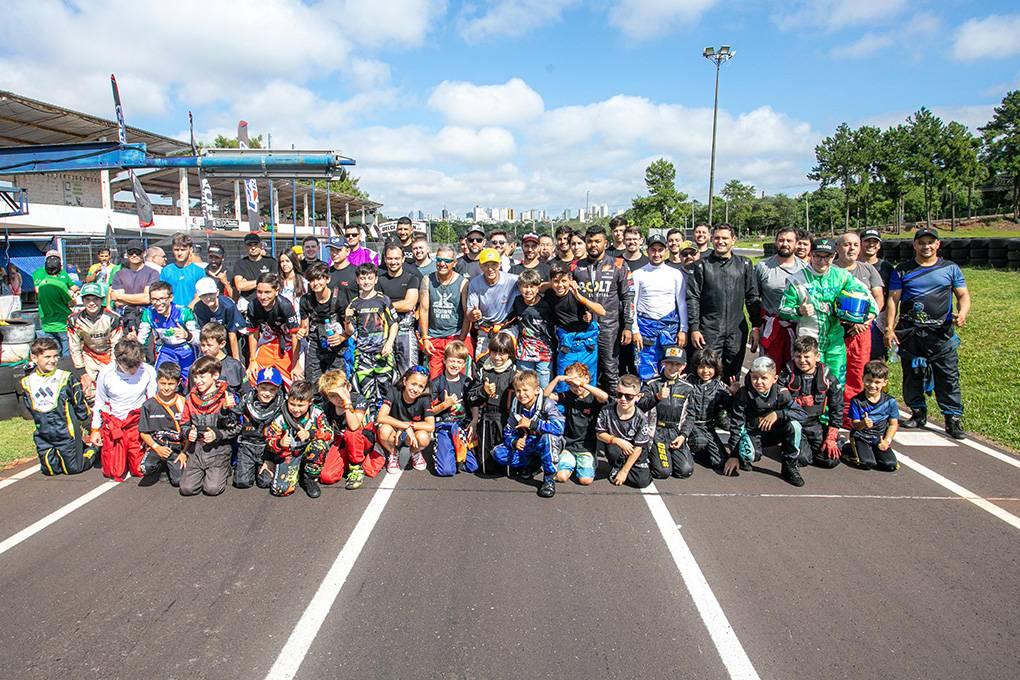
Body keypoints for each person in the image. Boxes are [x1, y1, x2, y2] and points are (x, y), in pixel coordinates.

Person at [885, 227, 969, 438]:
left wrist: (962, 313)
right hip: (910, 333)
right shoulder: (902, 270)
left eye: (930, 242)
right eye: (921, 242)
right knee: (912, 375)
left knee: (948, 377)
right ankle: (917, 413)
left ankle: (952, 419)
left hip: (941, 334)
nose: (926, 246)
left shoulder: (950, 268)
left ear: (938, 244)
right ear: (914, 245)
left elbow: (963, 295)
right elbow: (893, 300)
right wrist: (889, 328)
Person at [778, 238, 877, 384]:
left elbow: (870, 299)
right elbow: (782, 310)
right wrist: (799, 311)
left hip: (836, 342)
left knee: (837, 384)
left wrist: (866, 317)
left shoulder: (842, 276)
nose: (822, 261)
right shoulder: (796, 280)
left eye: (827, 257)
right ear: (811, 255)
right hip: (809, 342)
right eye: (818, 256)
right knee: (812, 384)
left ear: (834, 256)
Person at [686, 224, 761, 382]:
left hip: (736, 331)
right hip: (709, 330)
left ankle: (730, 398)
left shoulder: (744, 264)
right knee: (707, 373)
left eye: (725, 238)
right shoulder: (701, 265)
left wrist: (756, 326)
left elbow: (752, 296)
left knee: (733, 376)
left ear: (733, 240)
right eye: (717, 238)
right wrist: (694, 328)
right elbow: (693, 298)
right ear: (712, 239)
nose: (721, 241)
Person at [723, 357, 807, 487]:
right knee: (749, 455)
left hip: (774, 433)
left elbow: (802, 414)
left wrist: (778, 414)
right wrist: (733, 455)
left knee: (794, 426)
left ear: (775, 379)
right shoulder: (744, 394)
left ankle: (789, 465)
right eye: (755, 377)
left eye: (764, 378)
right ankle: (745, 457)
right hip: (753, 433)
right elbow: (736, 424)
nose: (759, 382)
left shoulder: (782, 394)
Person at [20, 337, 95, 475]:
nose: (53, 360)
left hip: (66, 433)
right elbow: (29, 407)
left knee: (72, 469)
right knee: (49, 470)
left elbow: (80, 405)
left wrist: (91, 427)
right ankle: (77, 449)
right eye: (47, 357)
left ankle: (93, 449)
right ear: (34, 358)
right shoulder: (27, 382)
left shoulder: (66, 378)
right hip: (43, 433)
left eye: (55, 356)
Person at [573, 227, 634, 393]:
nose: (593, 245)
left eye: (597, 241)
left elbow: (628, 297)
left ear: (605, 243)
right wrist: (582, 312)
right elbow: (569, 297)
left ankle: (612, 405)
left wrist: (628, 326)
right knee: (584, 371)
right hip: (584, 329)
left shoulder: (619, 265)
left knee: (610, 371)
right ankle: (588, 406)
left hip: (609, 328)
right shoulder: (575, 267)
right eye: (590, 241)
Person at [835, 231, 885, 424]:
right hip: (834, 330)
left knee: (857, 373)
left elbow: (878, 299)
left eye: (855, 245)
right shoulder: (829, 269)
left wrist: (865, 321)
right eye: (847, 244)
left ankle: (852, 415)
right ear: (838, 248)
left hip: (861, 331)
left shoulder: (868, 270)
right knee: (832, 372)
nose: (852, 248)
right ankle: (831, 413)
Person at [90, 339, 157, 481]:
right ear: (118, 361)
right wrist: (95, 429)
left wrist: (151, 430)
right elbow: (100, 402)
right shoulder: (106, 373)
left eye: (136, 366)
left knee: (140, 470)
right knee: (113, 471)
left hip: (136, 423)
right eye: (129, 367)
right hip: (115, 424)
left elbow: (152, 402)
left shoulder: (148, 371)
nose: (133, 371)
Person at [492, 370, 564, 498]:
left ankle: (549, 478)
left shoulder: (547, 404)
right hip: (528, 442)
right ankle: (533, 464)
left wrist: (532, 424)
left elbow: (559, 427)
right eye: (518, 391)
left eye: (525, 390)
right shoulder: (516, 406)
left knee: (548, 437)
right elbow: (508, 430)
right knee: (498, 453)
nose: (521, 394)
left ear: (536, 390)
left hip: (546, 442)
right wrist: (514, 441)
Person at [177, 356, 241, 497]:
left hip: (218, 449)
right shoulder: (190, 398)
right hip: (196, 450)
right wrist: (188, 432)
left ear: (215, 375)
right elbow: (184, 424)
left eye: (202, 377)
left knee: (212, 489)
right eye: (195, 377)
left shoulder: (226, 398)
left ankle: (224, 468)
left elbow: (236, 427)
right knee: (187, 489)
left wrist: (216, 434)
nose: (198, 381)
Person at [779, 336, 842, 470]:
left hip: (814, 424)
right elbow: (775, 401)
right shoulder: (787, 375)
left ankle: (840, 442)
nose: (802, 360)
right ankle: (790, 444)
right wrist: (796, 401)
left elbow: (837, 408)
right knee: (802, 459)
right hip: (793, 424)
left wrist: (831, 436)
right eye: (798, 356)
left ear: (817, 357)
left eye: (807, 356)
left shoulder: (828, 378)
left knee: (830, 460)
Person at [631, 234, 688, 380]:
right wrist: (634, 330)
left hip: (669, 327)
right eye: (653, 250)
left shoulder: (675, 274)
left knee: (670, 366)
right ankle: (647, 392)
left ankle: (669, 393)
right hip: (645, 327)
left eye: (660, 250)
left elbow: (681, 303)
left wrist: (683, 330)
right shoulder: (638, 274)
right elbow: (632, 304)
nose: (656, 254)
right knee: (645, 368)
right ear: (647, 251)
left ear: (666, 251)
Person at [264, 380, 333, 498]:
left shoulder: (317, 413)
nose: (296, 409)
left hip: (309, 451)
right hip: (289, 454)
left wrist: (310, 434)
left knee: (319, 445)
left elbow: (329, 433)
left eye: (300, 405)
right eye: (292, 404)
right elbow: (269, 441)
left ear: (310, 402)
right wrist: (279, 443)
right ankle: (295, 471)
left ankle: (309, 477)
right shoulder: (280, 417)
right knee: (280, 490)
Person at [345, 263, 398, 416]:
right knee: (366, 391)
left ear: (376, 279)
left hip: (382, 352)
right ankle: (370, 421)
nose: (366, 281)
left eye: (369, 278)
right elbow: (350, 331)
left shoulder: (384, 300)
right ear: (357, 280)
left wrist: (389, 344)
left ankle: (384, 420)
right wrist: (347, 319)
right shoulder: (354, 303)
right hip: (362, 354)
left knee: (385, 389)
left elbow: (394, 324)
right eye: (362, 278)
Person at [318, 369, 383, 489]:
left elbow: (354, 425)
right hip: (342, 442)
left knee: (351, 433)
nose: (338, 398)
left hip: (363, 439)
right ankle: (348, 461)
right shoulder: (328, 407)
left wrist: (347, 402)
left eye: (340, 393)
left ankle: (356, 466)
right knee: (327, 476)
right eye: (333, 396)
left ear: (349, 387)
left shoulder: (358, 399)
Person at [546, 362, 608, 486]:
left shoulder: (593, 398)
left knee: (585, 480)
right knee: (561, 477)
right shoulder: (568, 396)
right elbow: (546, 395)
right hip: (569, 445)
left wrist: (582, 384)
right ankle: (569, 463)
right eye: (571, 385)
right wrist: (557, 379)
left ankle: (581, 464)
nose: (576, 388)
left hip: (586, 447)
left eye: (577, 384)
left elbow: (604, 396)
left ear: (587, 378)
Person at [637, 345, 694, 479]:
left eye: (677, 364)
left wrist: (683, 435)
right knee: (663, 472)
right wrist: (656, 397)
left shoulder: (687, 388)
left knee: (685, 470)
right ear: (663, 363)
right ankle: (649, 454)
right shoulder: (651, 384)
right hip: (657, 431)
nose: (673, 367)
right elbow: (640, 407)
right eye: (669, 363)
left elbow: (691, 415)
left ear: (683, 366)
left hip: (676, 432)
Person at [755, 227, 807, 368]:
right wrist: (755, 327)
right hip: (772, 328)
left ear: (796, 244)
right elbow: (753, 298)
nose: (785, 244)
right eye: (781, 240)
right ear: (776, 242)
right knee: (769, 369)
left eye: (789, 241)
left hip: (798, 328)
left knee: (796, 368)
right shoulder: (763, 267)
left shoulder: (805, 269)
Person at [546, 263, 603, 389]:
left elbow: (602, 311)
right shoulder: (549, 294)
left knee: (587, 381)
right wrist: (551, 284)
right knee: (564, 381)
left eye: (564, 281)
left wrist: (581, 298)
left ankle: (588, 402)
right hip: (567, 344)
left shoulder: (577, 292)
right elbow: (538, 287)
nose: (560, 285)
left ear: (570, 280)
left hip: (586, 344)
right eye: (556, 281)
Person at [467, 331, 517, 475]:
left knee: (507, 470)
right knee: (486, 468)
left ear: (509, 354)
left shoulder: (514, 373)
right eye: (494, 352)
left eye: (502, 353)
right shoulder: (483, 370)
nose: (497, 357)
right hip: (486, 419)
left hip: (506, 420)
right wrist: (483, 391)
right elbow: (471, 397)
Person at [420, 245, 472, 380]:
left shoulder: (463, 283)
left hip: (455, 335)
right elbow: (424, 310)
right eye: (439, 260)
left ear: (454, 263)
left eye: (447, 261)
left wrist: (461, 339)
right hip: (434, 336)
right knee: (433, 379)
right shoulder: (427, 279)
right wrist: (425, 338)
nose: (442, 264)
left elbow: (467, 315)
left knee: (460, 379)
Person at [430, 341, 479, 477]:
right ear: (444, 360)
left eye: (459, 362)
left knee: (473, 466)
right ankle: (444, 448)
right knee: (446, 471)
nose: (455, 365)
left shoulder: (467, 382)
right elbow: (429, 411)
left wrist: (474, 421)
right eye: (452, 361)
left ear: (463, 365)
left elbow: (474, 403)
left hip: (462, 426)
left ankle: (455, 451)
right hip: (444, 425)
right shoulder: (437, 382)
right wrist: (445, 404)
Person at [596, 374, 653, 489]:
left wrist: (625, 471)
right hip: (616, 447)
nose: (623, 399)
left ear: (638, 397)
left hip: (634, 449)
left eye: (629, 396)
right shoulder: (606, 411)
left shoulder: (641, 418)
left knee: (642, 482)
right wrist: (617, 441)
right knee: (613, 450)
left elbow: (638, 447)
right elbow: (599, 434)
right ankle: (617, 466)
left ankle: (623, 469)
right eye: (619, 394)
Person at [67, 282, 123, 399]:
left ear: (102, 300)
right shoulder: (74, 320)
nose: (91, 303)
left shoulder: (113, 318)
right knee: (89, 393)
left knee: (113, 390)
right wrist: (81, 371)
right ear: (82, 301)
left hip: (109, 356)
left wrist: (114, 366)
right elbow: (74, 346)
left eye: (95, 299)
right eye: (87, 299)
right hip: (89, 356)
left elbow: (117, 345)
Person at [244, 273, 300, 386]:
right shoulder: (252, 306)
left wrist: (296, 364)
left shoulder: (285, 305)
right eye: (259, 292)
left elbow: (295, 335)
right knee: (252, 375)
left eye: (267, 292)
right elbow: (253, 333)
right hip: (268, 339)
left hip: (289, 341)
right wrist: (252, 360)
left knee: (296, 379)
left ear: (276, 291)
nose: (263, 297)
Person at [137, 281, 201, 381]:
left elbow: (199, 340)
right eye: (154, 299)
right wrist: (134, 341)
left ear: (171, 298)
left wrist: (187, 335)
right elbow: (141, 339)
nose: (158, 303)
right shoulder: (149, 313)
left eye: (162, 299)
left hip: (186, 350)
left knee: (192, 381)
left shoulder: (184, 313)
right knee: (160, 380)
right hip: (166, 350)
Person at [298, 263, 348, 389]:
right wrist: (301, 332)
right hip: (315, 344)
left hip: (336, 345)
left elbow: (350, 327)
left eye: (319, 279)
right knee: (313, 383)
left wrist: (342, 337)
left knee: (336, 384)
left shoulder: (340, 298)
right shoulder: (305, 300)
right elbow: (304, 327)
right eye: (312, 280)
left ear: (327, 279)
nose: (315, 283)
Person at [377, 367, 435, 473]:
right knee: (383, 431)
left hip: (413, 433)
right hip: (394, 431)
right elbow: (381, 417)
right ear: (404, 381)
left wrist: (408, 425)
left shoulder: (425, 398)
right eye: (413, 384)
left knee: (423, 437)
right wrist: (405, 426)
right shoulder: (394, 391)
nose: (416, 389)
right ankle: (393, 453)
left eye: (421, 386)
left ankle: (415, 452)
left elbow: (431, 425)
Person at [844, 360, 900, 471]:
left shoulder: (890, 402)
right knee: (867, 463)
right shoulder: (857, 401)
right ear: (863, 378)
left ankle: (873, 451)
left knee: (890, 465)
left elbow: (893, 424)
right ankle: (848, 449)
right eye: (869, 381)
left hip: (879, 438)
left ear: (885, 382)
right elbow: (855, 425)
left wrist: (887, 441)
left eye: (877, 382)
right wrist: (863, 424)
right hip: (861, 436)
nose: (872, 385)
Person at [235, 367, 285, 490]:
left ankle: (265, 466)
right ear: (256, 386)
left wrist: (271, 458)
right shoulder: (246, 399)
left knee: (265, 482)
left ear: (278, 389)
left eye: (272, 390)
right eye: (263, 388)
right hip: (247, 445)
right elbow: (233, 417)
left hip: (267, 447)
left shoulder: (282, 404)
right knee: (242, 482)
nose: (267, 393)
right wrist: (226, 411)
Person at [137, 362, 187, 486]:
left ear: (178, 383)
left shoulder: (184, 402)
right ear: (157, 382)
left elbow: (189, 431)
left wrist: (184, 453)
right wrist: (157, 448)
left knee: (178, 481)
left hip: (177, 448)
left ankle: (170, 465)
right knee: (144, 468)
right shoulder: (148, 405)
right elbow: (143, 433)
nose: (166, 388)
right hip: (157, 446)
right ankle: (161, 466)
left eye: (171, 384)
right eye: (163, 383)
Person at [377, 243, 422, 375]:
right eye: (390, 258)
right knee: (385, 371)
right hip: (384, 330)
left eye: (397, 258)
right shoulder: (379, 280)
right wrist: (398, 305)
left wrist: (386, 304)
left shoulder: (412, 278)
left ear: (403, 259)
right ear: (385, 260)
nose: (393, 262)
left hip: (405, 330)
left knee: (409, 371)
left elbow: (409, 305)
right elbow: (376, 305)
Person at [505, 269, 555, 387]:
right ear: (519, 287)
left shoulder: (546, 304)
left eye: (532, 286)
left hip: (544, 352)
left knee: (543, 387)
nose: (528, 290)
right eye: (525, 286)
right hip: (524, 352)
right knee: (524, 385)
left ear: (538, 288)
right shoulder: (517, 301)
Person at [466, 248, 519, 357]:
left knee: (505, 359)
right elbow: (470, 313)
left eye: (494, 265)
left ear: (499, 265)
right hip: (485, 329)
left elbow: (532, 285)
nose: (490, 269)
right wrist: (474, 314)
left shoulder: (512, 280)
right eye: (486, 265)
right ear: (480, 266)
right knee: (482, 360)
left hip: (507, 328)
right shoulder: (475, 283)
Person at [685, 349, 732, 472]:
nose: (705, 371)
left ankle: (702, 452)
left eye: (710, 367)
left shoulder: (719, 385)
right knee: (699, 441)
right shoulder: (688, 382)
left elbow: (730, 405)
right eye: (701, 367)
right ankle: (687, 448)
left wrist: (734, 394)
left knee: (719, 462)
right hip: (691, 424)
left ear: (716, 368)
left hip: (708, 426)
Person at [860, 228, 895, 360]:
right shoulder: (852, 265)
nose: (871, 244)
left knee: (877, 359)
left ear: (879, 245)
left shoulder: (886, 267)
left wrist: (889, 325)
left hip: (879, 319)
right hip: (855, 318)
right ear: (860, 243)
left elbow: (892, 297)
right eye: (867, 241)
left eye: (875, 242)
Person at [111, 239, 159, 334]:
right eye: (131, 252)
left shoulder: (153, 273)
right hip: (125, 320)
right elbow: (118, 303)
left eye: (137, 252)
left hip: (147, 320)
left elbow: (147, 299)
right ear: (127, 254)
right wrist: (140, 298)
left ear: (144, 253)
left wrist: (120, 296)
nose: (134, 255)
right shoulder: (119, 274)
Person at [33, 250, 75, 356]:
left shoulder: (42, 284)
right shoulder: (59, 285)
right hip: (62, 324)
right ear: (60, 267)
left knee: (53, 352)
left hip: (47, 324)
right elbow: (71, 303)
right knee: (66, 353)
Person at [193, 277, 245, 361]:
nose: (208, 298)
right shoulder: (199, 308)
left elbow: (232, 332)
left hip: (232, 336)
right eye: (204, 295)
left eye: (210, 294)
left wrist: (236, 359)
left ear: (217, 292)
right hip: (212, 338)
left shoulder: (228, 306)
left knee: (235, 361)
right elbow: (205, 332)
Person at [232, 232, 278, 307]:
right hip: (248, 303)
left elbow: (274, 282)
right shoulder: (240, 264)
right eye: (250, 245)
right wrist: (265, 280)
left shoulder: (271, 262)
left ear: (261, 245)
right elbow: (240, 286)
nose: (253, 248)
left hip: (269, 302)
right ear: (245, 247)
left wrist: (248, 283)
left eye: (255, 244)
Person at [160, 233, 206, 308]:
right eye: (176, 250)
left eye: (183, 250)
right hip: (171, 312)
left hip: (192, 311)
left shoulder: (199, 271)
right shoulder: (166, 271)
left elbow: (200, 295)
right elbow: (162, 294)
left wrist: (186, 311)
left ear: (190, 250)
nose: (179, 253)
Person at [197, 322, 244, 393]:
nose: (205, 349)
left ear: (222, 344)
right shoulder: (197, 366)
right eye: (203, 345)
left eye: (209, 345)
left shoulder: (234, 366)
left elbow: (246, 392)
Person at [324, 237, 359, 311]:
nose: (334, 253)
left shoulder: (357, 272)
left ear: (348, 251)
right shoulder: (326, 273)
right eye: (332, 250)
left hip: (352, 315)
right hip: (331, 316)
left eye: (338, 250)